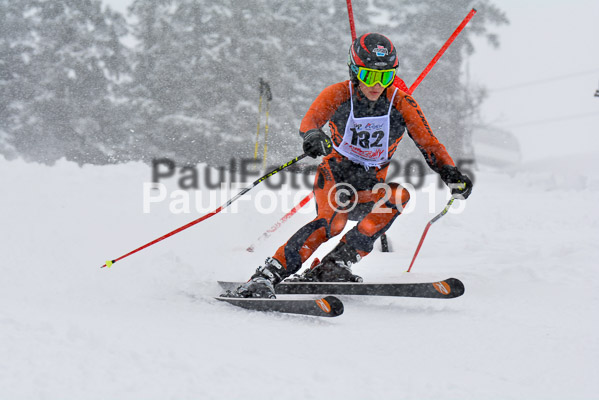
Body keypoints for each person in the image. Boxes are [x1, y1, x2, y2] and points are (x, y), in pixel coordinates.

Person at [224, 33, 472, 299]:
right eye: (369, 76)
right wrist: (313, 137)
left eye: (385, 77)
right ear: (354, 71)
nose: (377, 86)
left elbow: (429, 144)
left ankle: (335, 264)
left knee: (398, 195)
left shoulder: (401, 103)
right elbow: (311, 122)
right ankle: (265, 277)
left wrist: (451, 174)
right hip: (335, 177)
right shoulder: (339, 94)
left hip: (368, 187)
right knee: (332, 222)